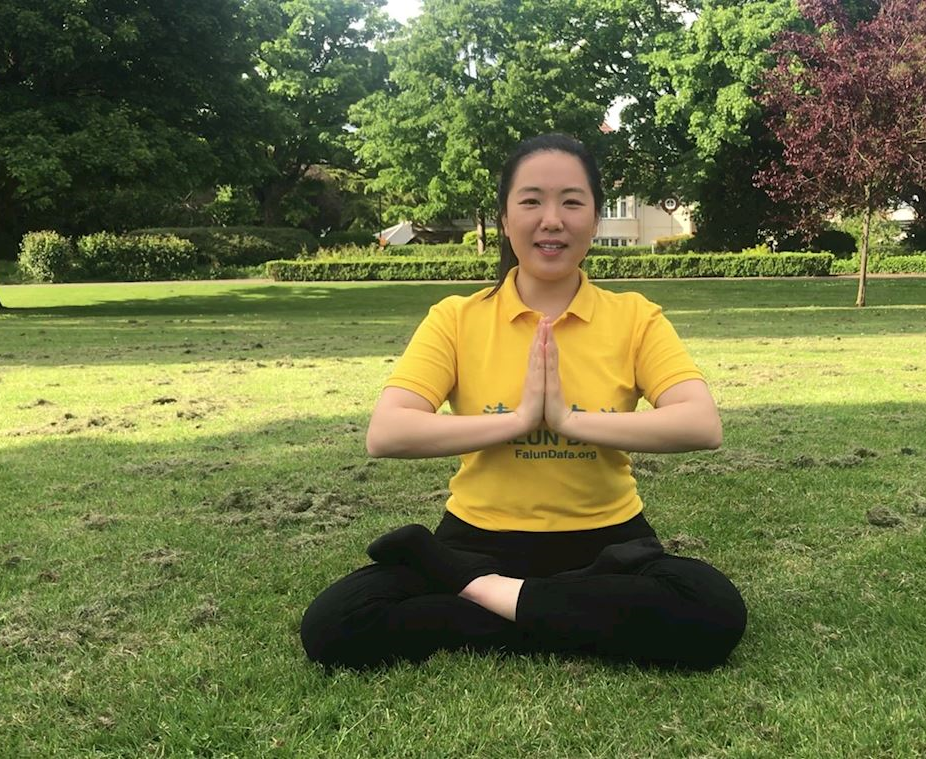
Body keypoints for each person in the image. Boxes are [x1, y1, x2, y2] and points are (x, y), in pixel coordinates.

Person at [299, 133, 747, 670]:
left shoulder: (635, 317)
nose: (551, 220)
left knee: (714, 609)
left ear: (595, 219)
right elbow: (388, 432)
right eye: (531, 201)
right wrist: (517, 421)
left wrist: (567, 420)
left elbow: (701, 424)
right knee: (336, 623)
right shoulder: (456, 318)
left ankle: (481, 593)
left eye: (572, 202)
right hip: (476, 539)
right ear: (506, 220)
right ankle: (570, 616)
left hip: (606, 544)